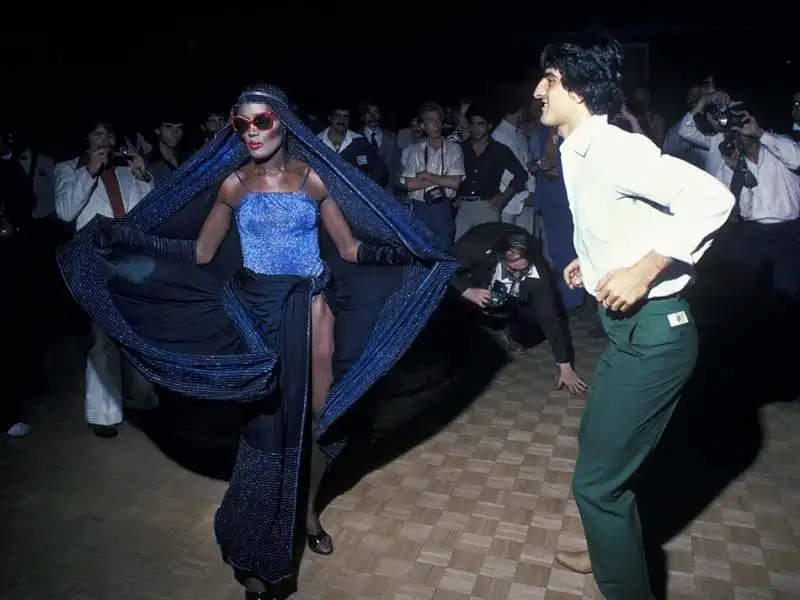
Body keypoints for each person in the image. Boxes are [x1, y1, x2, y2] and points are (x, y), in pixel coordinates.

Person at [57, 84, 457, 599]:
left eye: (261, 121)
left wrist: (415, 258)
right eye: (240, 124)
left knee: (317, 426)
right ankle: (256, 547)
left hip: (312, 316)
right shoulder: (234, 185)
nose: (251, 132)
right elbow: (201, 253)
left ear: (283, 122)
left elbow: (351, 248)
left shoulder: (312, 180)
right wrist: (129, 235)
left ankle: (308, 515)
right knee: (267, 433)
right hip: (258, 316)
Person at [532, 36, 734, 599]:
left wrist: (645, 268)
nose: (537, 90)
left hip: (656, 334)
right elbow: (621, 215)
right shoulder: (576, 149)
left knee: (596, 484)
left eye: (548, 78)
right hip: (625, 335)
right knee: (598, 449)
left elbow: (712, 198)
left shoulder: (616, 147)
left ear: (576, 87)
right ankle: (608, 548)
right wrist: (589, 261)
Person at [450, 222, 587, 394]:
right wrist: (467, 290)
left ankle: (508, 329)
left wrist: (565, 367)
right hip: (476, 272)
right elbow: (441, 266)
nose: (517, 274)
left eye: (523, 269)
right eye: (512, 268)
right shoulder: (474, 248)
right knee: (453, 297)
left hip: (508, 290)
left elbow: (550, 320)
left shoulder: (538, 275)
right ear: (501, 258)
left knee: (535, 327)